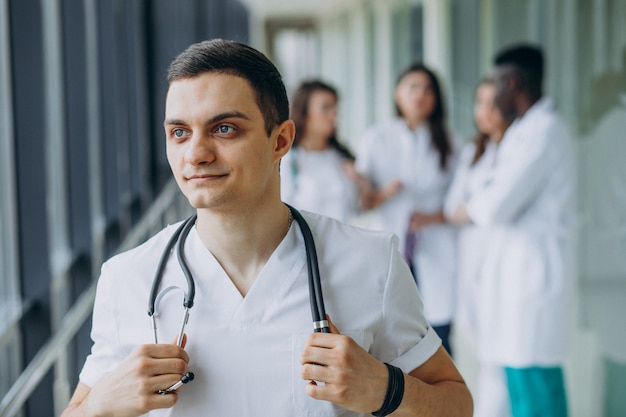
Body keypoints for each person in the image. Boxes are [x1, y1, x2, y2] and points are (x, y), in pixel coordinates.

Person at [60, 39, 472, 417]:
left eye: (224, 129)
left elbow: (456, 404)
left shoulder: (370, 262)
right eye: (179, 132)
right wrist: (99, 405)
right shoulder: (128, 277)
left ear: (280, 140)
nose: (196, 154)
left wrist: (384, 389)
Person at [450, 45, 575, 417]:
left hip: (534, 280)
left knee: (536, 385)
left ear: (513, 83)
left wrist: (469, 207)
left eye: (497, 87)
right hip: (516, 282)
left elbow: (492, 206)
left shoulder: (545, 131)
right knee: (519, 386)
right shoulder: (525, 132)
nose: (493, 96)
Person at [356, 63, 458, 355]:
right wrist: (384, 193)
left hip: (435, 246)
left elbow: (463, 198)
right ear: (397, 94)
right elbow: (361, 201)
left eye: (428, 89)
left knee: (438, 334)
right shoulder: (377, 138)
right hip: (390, 244)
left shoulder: (449, 142)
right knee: (392, 334)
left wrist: (433, 217)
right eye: (413, 87)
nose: (421, 95)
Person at [444, 78, 512, 417]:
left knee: (501, 351)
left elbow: (486, 208)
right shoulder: (474, 150)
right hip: (471, 260)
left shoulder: (516, 148)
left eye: (491, 103)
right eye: (479, 103)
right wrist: (476, 210)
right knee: (483, 346)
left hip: (503, 260)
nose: (484, 113)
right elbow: (453, 208)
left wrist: (474, 209)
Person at [280, 80, 360, 222]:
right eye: (325, 108)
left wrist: (361, 182)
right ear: (304, 112)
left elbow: (357, 209)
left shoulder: (342, 158)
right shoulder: (288, 161)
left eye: (335, 107)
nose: (334, 114)